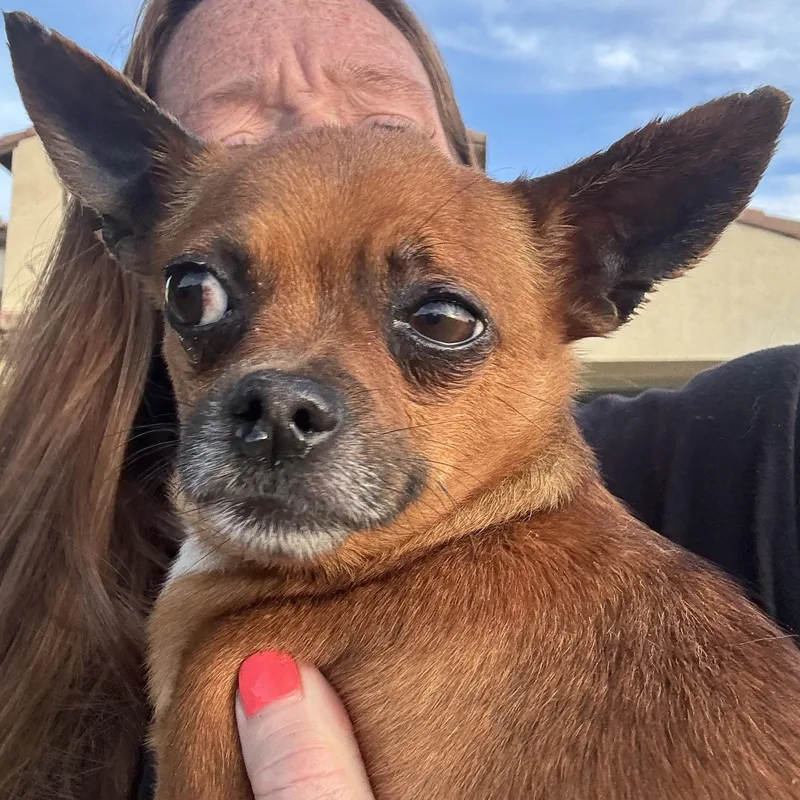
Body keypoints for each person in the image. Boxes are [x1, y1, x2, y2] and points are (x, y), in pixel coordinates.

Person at [0, 1, 797, 799]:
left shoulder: (759, 444)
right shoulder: (36, 580)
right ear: (142, 230)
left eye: (438, 319)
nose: (282, 396)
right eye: (204, 295)